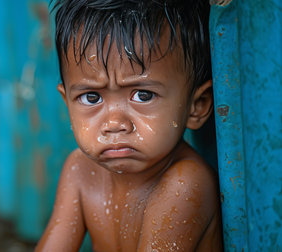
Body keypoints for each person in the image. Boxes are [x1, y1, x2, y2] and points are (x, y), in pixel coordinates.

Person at [35, 0, 223, 251]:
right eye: (92, 97)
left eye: (143, 96)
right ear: (67, 102)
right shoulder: (80, 170)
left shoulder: (185, 184)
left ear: (197, 105)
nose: (114, 124)